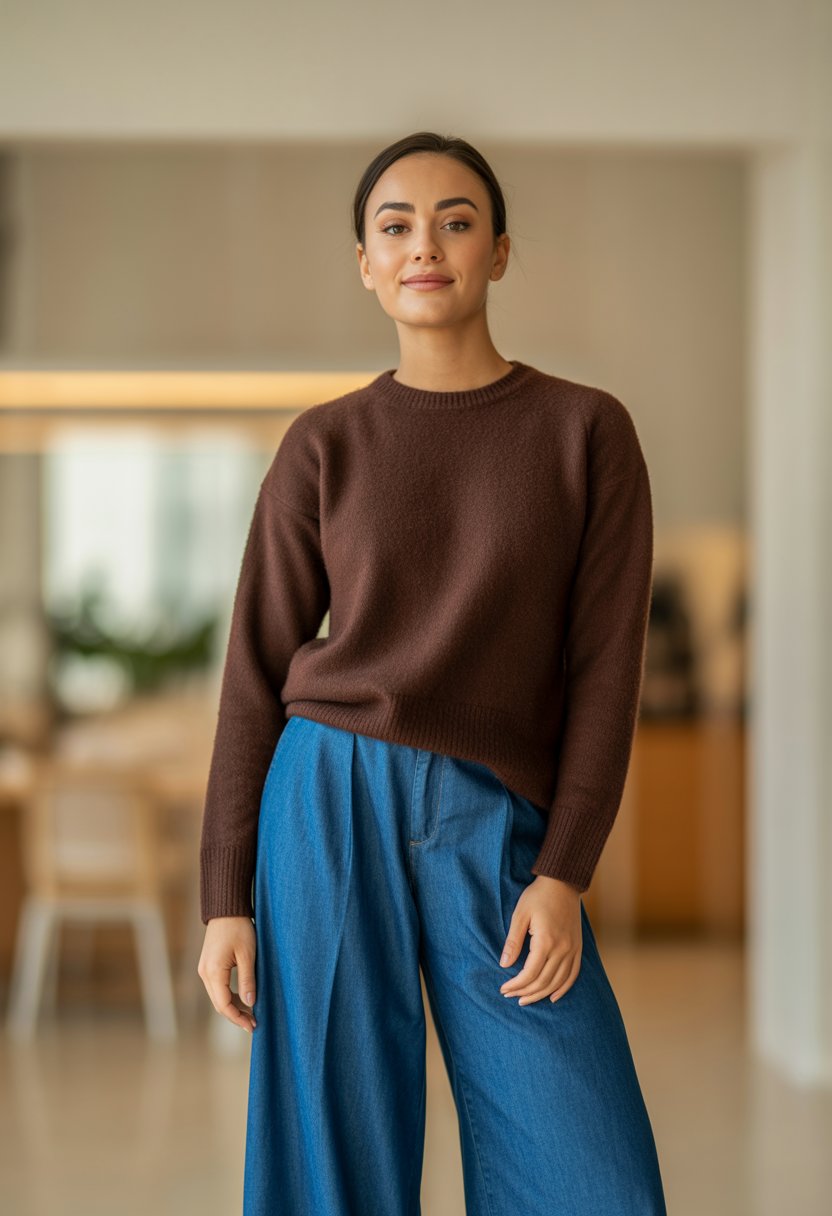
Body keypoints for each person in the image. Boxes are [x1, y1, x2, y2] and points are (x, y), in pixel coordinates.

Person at [197, 130, 668, 1215]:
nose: (425, 246)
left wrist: (565, 869)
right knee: (332, 1154)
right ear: (363, 261)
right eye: (394, 227)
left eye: (456, 222)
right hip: (325, 798)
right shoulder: (323, 444)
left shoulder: (586, 432)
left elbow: (605, 668)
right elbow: (254, 668)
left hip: (492, 816)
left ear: (499, 251)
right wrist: (226, 895)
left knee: (587, 1166)